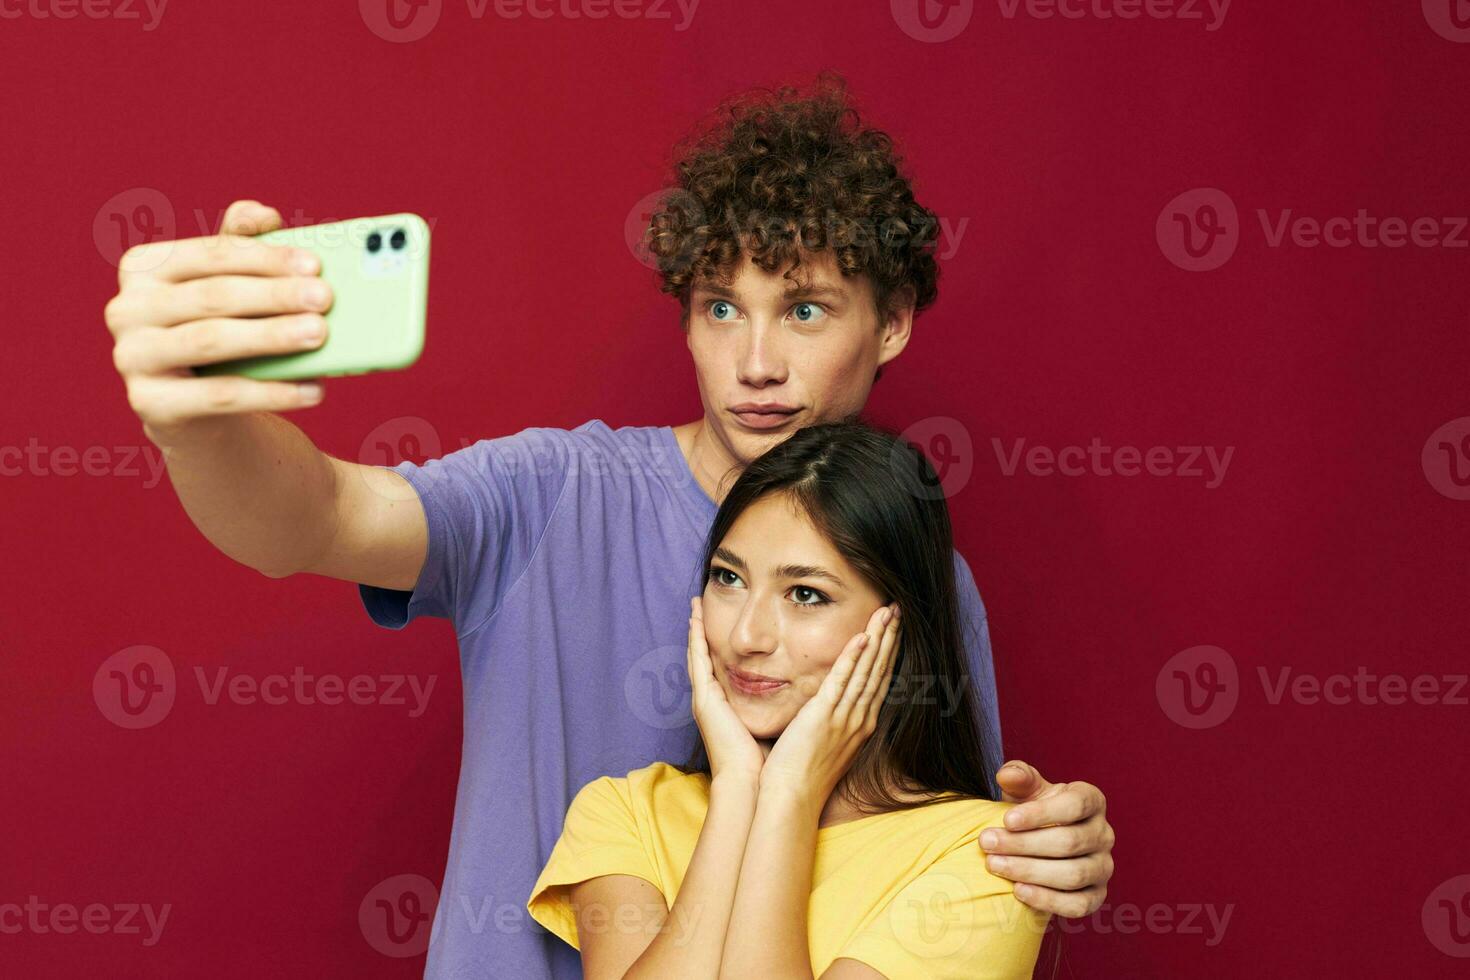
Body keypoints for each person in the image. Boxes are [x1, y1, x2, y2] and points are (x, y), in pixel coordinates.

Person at [102, 71, 1114, 979]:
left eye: (804, 310)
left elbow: (941, 852)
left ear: (889, 321)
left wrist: (1050, 843)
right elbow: (316, 516)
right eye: (722, 308)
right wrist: (202, 421)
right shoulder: (554, 488)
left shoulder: (921, 574)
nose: (755, 361)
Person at [528, 419, 1049, 979]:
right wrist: (736, 793)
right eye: (728, 578)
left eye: (805, 594)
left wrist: (789, 798)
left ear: (896, 628)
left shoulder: (985, 855)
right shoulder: (626, 811)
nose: (746, 637)